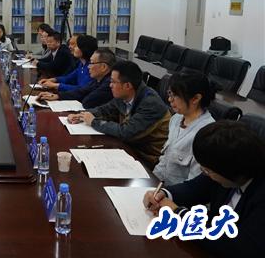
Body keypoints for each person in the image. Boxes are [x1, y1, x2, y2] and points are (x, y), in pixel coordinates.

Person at [143, 121, 265, 257]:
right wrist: (163, 194)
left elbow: (238, 246)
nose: (204, 173)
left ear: (234, 172)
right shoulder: (223, 169)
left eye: (207, 170)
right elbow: (194, 188)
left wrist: (179, 214)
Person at [67, 60, 171, 166]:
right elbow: (105, 110)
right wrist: (82, 115)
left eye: (113, 82)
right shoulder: (124, 95)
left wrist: (93, 122)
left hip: (148, 159)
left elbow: (125, 132)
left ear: (127, 86)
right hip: (129, 148)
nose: (110, 85)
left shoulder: (150, 103)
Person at [152, 71, 215, 186]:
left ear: (195, 98)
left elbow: (194, 182)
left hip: (179, 193)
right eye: (170, 93)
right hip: (162, 187)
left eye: (175, 95)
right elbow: (165, 160)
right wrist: (151, 181)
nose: (170, 99)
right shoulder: (176, 118)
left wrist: (167, 193)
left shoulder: (207, 133)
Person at [37, 47, 115, 109]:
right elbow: (81, 91)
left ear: (103, 67)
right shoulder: (98, 79)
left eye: (92, 63)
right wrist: (57, 96)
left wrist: (84, 94)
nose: (89, 66)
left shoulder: (109, 83)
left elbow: (87, 102)